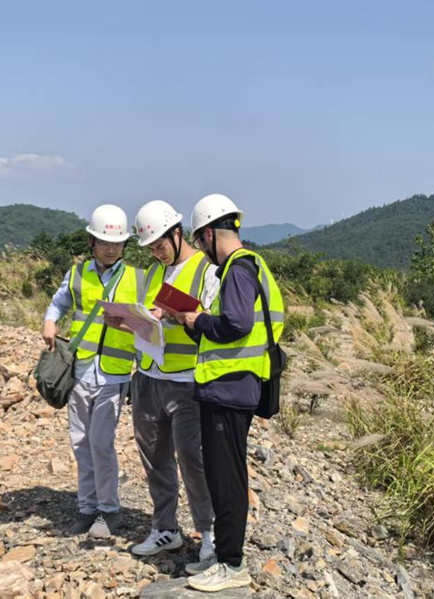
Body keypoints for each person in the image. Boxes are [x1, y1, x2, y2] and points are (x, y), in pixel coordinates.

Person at [174, 194, 284, 592]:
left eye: (200, 240)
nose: (201, 248)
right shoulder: (250, 265)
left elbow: (235, 325)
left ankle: (231, 564)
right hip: (231, 387)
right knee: (226, 476)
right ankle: (224, 557)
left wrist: (199, 319)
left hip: (229, 389)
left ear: (206, 233)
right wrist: (191, 320)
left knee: (227, 480)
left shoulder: (237, 269)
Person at [41, 204, 143, 539]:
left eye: (116, 243)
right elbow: (59, 303)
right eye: (104, 242)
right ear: (91, 242)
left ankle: (109, 511)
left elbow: (151, 322)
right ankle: (86, 508)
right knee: (81, 442)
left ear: (125, 245)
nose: (111, 248)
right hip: (82, 370)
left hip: (115, 373)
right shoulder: (78, 274)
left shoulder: (138, 279)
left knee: (101, 444)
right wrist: (50, 321)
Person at [124, 200, 218, 561]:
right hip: (148, 377)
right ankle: (165, 528)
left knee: (193, 458)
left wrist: (180, 316)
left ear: (177, 234)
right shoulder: (152, 273)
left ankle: (208, 532)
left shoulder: (204, 269)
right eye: (150, 248)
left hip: (187, 381)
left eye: (160, 246)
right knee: (155, 459)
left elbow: (212, 321)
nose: (157, 253)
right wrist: (135, 319)